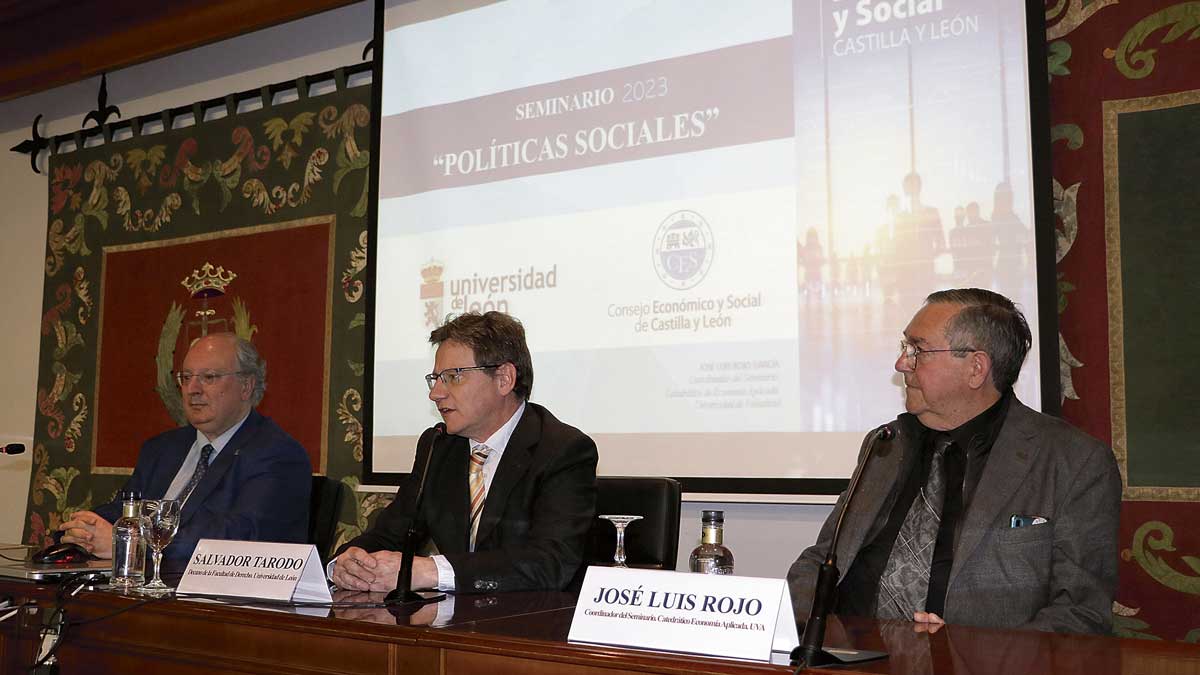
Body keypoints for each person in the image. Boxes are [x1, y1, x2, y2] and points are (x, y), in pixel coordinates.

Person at [788, 288, 1120, 634]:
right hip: (847, 659)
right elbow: (822, 560)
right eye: (905, 349)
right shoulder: (885, 444)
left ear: (976, 368)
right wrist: (798, 628)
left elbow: (1081, 613)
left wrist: (969, 651)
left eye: (917, 350)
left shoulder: (1074, 462)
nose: (901, 363)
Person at [329, 311, 597, 593]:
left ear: (504, 379)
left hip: (529, 624)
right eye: (435, 378)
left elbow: (549, 563)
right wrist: (346, 563)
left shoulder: (563, 450)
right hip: (452, 623)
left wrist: (430, 571)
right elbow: (388, 535)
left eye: (454, 376)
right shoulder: (438, 446)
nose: (436, 394)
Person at [59, 333, 312, 569]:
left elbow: (239, 537)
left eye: (209, 377)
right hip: (142, 592)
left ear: (246, 386)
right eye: (186, 377)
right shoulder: (162, 449)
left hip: (219, 605)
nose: (193, 389)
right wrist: (85, 528)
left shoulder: (277, 454)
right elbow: (127, 508)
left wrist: (131, 542)